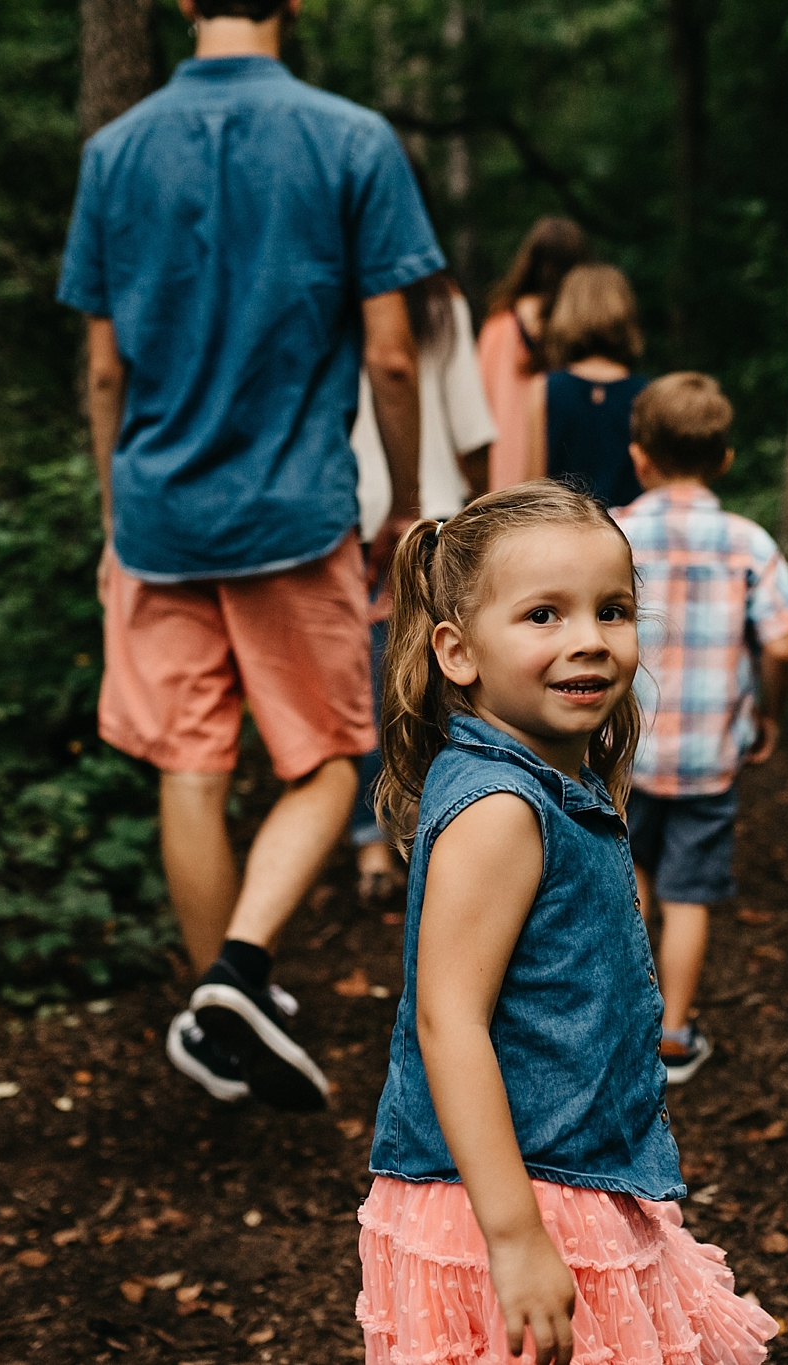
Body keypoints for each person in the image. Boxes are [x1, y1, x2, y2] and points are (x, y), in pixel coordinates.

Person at [57, 0, 443, 1112]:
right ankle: (234, 982)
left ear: (183, 1)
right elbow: (392, 354)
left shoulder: (114, 152)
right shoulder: (351, 138)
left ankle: (217, 1015)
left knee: (192, 764)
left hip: (157, 518)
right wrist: (408, 502)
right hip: (290, 510)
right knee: (328, 759)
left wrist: (112, 522)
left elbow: (100, 373)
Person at [354, 482, 776, 1365]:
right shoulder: (501, 808)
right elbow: (449, 1020)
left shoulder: (548, 782)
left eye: (612, 610)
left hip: (569, 1172)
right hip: (512, 1197)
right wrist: (513, 1236)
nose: (589, 637)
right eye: (544, 614)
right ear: (457, 652)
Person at [612, 374, 788, 1083]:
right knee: (688, 894)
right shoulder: (748, 543)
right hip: (708, 758)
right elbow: (783, 644)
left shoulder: (611, 533)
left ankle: (617, 1022)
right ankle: (673, 1035)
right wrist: (769, 715)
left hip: (621, 755)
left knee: (625, 880)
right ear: (725, 459)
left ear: (639, 457)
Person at [349, 267, 497, 901]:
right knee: (436, 681)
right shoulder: (441, 304)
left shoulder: (319, 290)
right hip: (433, 515)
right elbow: (471, 427)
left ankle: (371, 847)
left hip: (344, 517)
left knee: (364, 687)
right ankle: (438, 831)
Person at [477, 218, 589, 492]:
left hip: (506, 480)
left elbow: (477, 409)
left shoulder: (499, 326)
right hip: (575, 483)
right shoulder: (583, 331)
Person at [525, 264, 648, 509]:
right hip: (628, 536)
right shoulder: (647, 395)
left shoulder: (543, 388)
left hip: (566, 534)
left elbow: (535, 484)